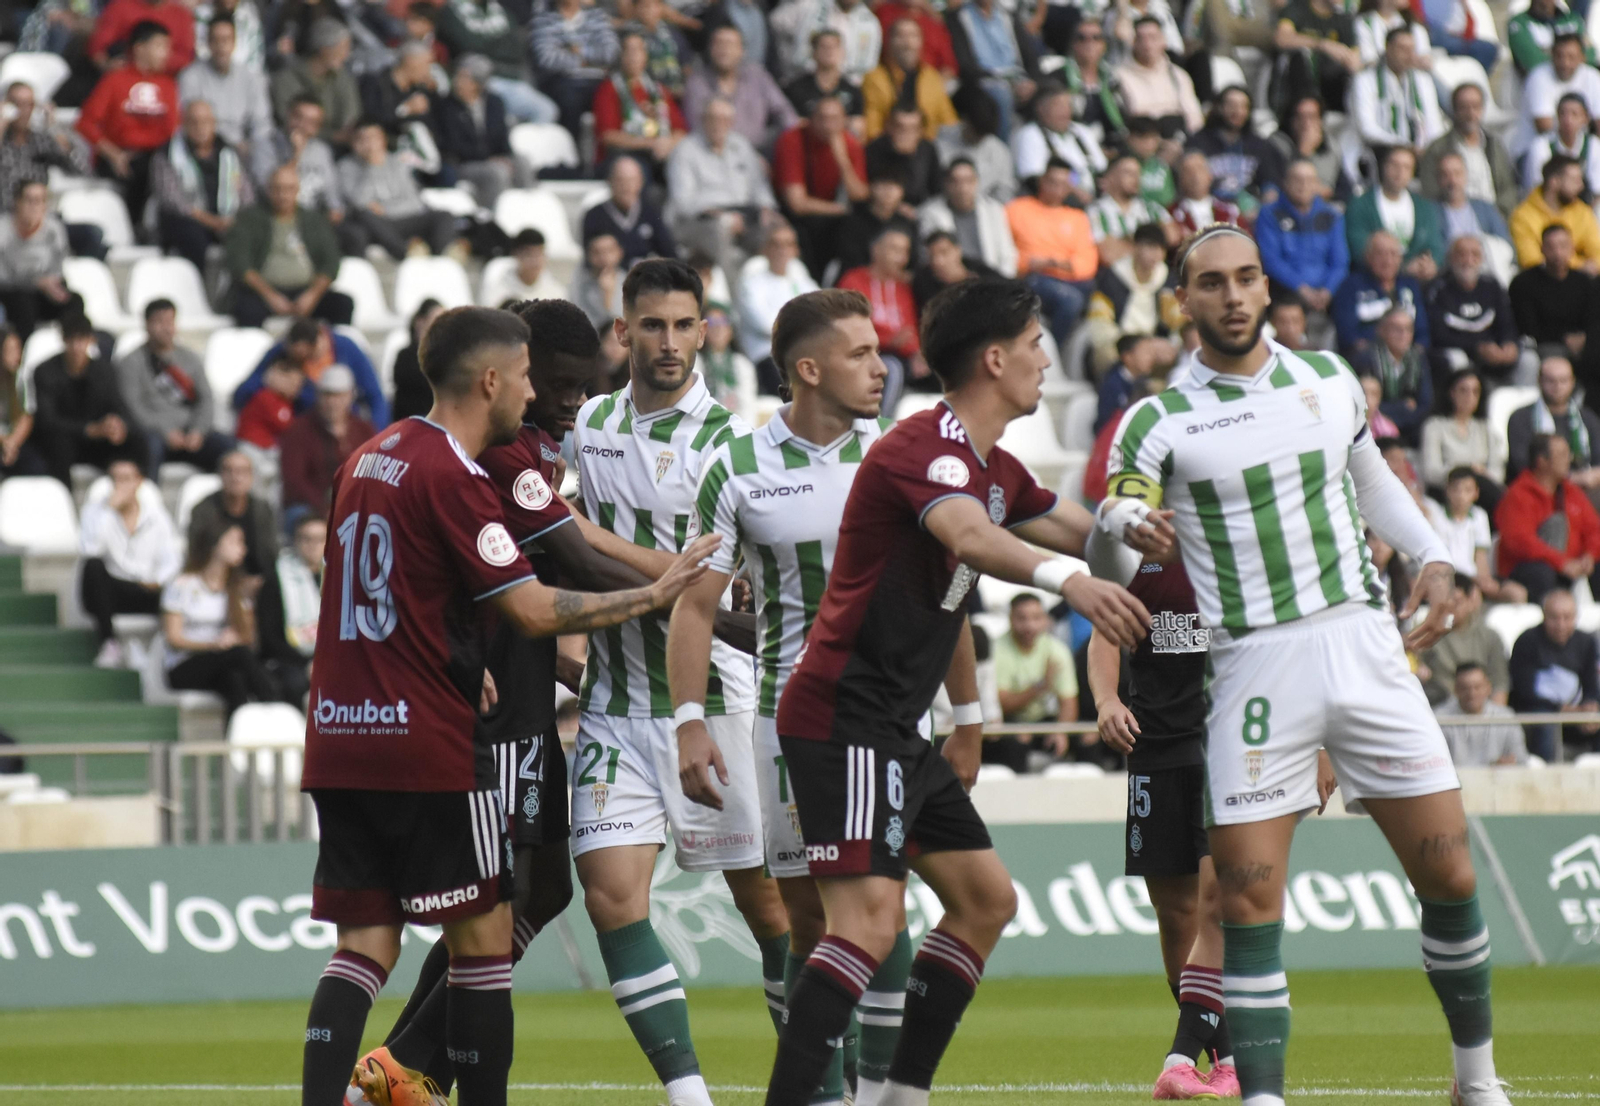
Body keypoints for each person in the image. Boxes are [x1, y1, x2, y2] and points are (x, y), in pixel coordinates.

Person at [1100, 224, 1510, 1106]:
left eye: (1247, 277)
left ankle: (1477, 1082)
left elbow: (1371, 481)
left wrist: (1431, 555)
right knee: (1247, 904)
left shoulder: (1327, 380)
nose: (1235, 295)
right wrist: (1121, 530)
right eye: (1212, 283)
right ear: (1184, 301)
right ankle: (1264, 1097)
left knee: (1450, 872)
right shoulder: (1156, 421)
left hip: (1365, 647)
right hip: (1252, 667)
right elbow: (1111, 544)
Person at [293, 302, 715, 1106]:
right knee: (485, 944)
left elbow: (367, 585)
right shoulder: (453, 472)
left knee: (363, 948)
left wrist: (452, 648)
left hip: (339, 730)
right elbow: (534, 606)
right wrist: (654, 596)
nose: (533, 395)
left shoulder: (367, 457)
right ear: (490, 379)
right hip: (429, 742)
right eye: (525, 378)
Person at [761, 275, 1149, 1106]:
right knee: (863, 924)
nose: (1049, 359)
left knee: (985, 901)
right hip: (844, 716)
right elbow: (968, 536)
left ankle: (899, 1098)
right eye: (1037, 345)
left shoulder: (994, 466)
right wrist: (1068, 583)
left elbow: (1091, 535)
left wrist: (1165, 546)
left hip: (898, 728)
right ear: (996, 358)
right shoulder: (918, 449)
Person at [664, 288, 906, 1106]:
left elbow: (945, 586)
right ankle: (826, 1093)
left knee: (886, 910)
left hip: (892, 717)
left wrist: (969, 715)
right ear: (808, 369)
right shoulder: (734, 466)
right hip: (787, 721)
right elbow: (695, 604)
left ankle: (885, 1093)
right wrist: (692, 724)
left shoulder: (895, 454)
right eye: (862, 354)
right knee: (810, 923)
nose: (881, 367)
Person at [565, 260, 789, 1106]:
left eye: (683, 326)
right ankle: (688, 1095)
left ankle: (820, 1086)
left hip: (718, 707)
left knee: (771, 913)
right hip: (613, 709)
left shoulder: (735, 444)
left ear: (706, 331)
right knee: (612, 896)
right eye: (650, 325)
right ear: (621, 332)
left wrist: (600, 541)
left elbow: (728, 599)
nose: (668, 342)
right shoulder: (583, 428)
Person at [1087, 553, 1244, 1099]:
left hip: (1223, 750)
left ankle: (1186, 1057)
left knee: (1214, 900)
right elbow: (1105, 636)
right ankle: (1224, 1059)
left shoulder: (1237, 540)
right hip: (1152, 750)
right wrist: (1106, 698)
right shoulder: (1134, 556)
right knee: (1175, 915)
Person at [160, 514, 275, 716]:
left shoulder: (237, 589)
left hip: (223, 661)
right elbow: (173, 638)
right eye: (235, 541)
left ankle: (236, 741)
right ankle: (275, 704)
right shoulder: (182, 585)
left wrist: (233, 638)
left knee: (235, 679)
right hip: (184, 665)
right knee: (237, 655)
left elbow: (250, 638)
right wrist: (214, 645)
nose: (243, 548)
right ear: (215, 545)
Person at [79, 457, 181, 667]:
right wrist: (108, 511)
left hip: (147, 589)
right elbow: (90, 549)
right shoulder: (95, 512)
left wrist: (158, 581)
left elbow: (171, 558)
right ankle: (109, 644)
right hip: (111, 590)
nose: (120, 485)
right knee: (93, 567)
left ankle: (168, 652)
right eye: (115, 479)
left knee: (176, 586)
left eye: (126, 478)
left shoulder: (157, 517)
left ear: (139, 482)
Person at [225, 165, 353, 329]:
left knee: (342, 304)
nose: (283, 195)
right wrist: (271, 296)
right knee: (246, 309)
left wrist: (312, 295)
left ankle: (333, 351)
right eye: (277, 189)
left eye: (289, 189)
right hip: (262, 293)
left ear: (298, 190)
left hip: (306, 291)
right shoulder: (249, 220)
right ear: (268, 190)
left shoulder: (314, 220)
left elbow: (330, 262)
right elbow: (240, 264)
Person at [80, 22, 181, 228]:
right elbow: (86, 123)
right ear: (139, 48)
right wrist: (114, 154)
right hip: (118, 155)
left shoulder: (168, 85)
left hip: (157, 158)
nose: (166, 54)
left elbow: (174, 130)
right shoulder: (115, 80)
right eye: (160, 47)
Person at [667, 97, 781, 282]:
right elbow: (683, 203)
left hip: (744, 215)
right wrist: (721, 215)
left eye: (724, 120)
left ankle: (779, 294)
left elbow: (759, 187)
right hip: (699, 221)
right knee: (722, 228)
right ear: (703, 120)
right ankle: (737, 300)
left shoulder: (741, 145)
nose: (718, 125)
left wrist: (767, 209)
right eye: (713, 118)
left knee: (780, 231)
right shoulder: (685, 150)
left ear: (731, 122)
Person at [115, 298, 230, 471]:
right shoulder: (130, 362)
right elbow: (133, 407)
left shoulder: (190, 358)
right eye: (159, 322)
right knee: (149, 446)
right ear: (146, 325)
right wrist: (165, 431)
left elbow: (206, 399)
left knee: (228, 447)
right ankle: (150, 495)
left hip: (190, 434)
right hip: (154, 434)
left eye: (170, 321)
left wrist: (198, 430)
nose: (166, 328)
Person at [31, 313, 141, 484]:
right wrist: (89, 429)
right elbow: (47, 421)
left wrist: (118, 425)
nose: (76, 347)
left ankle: (132, 497)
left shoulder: (104, 371)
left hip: (98, 442)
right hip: (64, 441)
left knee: (139, 441)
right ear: (63, 340)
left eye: (81, 340)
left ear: (91, 340)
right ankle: (63, 501)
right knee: (58, 443)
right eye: (71, 340)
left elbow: (122, 408)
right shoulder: (45, 371)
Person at [150, 99, 253, 275]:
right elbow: (172, 200)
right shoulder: (167, 154)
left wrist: (233, 220)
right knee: (193, 237)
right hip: (187, 221)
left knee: (250, 233)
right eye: (193, 121)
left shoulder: (229, 153)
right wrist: (210, 221)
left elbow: (246, 194)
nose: (200, 127)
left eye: (205, 121)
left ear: (214, 123)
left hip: (226, 220)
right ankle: (195, 289)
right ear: (183, 123)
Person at [338, 119, 462, 263]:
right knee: (363, 215)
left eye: (374, 138)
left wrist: (385, 209)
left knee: (444, 215)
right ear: (355, 143)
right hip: (377, 225)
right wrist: (371, 166)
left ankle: (441, 257)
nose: (370, 144)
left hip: (403, 218)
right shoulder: (346, 167)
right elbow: (358, 203)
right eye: (365, 139)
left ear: (383, 139)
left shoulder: (397, 162)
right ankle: (406, 252)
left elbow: (414, 202)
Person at [1496, 433, 1600, 604]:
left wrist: (1589, 556)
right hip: (1530, 569)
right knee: (1542, 574)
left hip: (1571, 566)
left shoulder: (1572, 492)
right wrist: (1561, 562)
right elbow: (1519, 541)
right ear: (1542, 461)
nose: (1569, 460)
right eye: (1562, 455)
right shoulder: (1518, 495)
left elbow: (1594, 529)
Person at [1007, 159, 1101, 348]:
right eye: (1052, 181)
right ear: (1042, 180)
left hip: (1072, 281)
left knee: (1098, 292)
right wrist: (1032, 263)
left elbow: (1088, 263)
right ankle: (1050, 354)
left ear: (1070, 188)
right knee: (1071, 301)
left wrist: (1051, 262)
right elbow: (1006, 252)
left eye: (1063, 184)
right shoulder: (1017, 209)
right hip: (1032, 278)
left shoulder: (1078, 218)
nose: (1057, 188)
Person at [773, 95, 868, 281]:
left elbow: (859, 195)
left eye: (834, 119)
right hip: (800, 215)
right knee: (807, 231)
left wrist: (842, 159)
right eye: (822, 118)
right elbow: (797, 203)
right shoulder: (792, 139)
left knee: (856, 230)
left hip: (833, 215)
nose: (828, 125)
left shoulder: (850, 144)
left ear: (844, 122)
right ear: (811, 119)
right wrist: (840, 210)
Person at [232, 317, 388, 429]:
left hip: (344, 429)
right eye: (297, 359)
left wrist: (374, 436)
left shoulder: (346, 349)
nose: (303, 362)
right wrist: (266, 381)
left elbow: (375, 397)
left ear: (320, 341)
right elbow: (240, 395)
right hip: (294, 434)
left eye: (307, 356)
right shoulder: (280, 352)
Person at [1508, 586, 1600, 760]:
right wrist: (1561, 710)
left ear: (1575, 617)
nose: (1561, 625)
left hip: (1577, 712)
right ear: (1544, 616)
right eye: (1554, 618)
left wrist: (1590, 705)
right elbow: (1523, 690)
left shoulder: (1586, 642)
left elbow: (1591, 684)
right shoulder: (1527, 641)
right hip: (1538, 710)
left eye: (1567, 618)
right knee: (1547, 721)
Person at [989, 592, 1078, 771]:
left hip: (1042, 721)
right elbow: (1000, 704)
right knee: (1014, 741)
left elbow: (1069, 702)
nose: (1029, 625)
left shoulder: (1057, 650)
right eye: (1022, 618)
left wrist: (1061, 731)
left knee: (1086, 739)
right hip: (1005, 723)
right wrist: (1039, 687)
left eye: (1036, 618)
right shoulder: (997, 650)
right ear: (1010, 619)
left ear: (1045, 620)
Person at [277, 363, 375, 523]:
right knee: (301, 518)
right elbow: (294, 480)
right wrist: (325, 508)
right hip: (310, 507)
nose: (333, 402)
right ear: (318, 396)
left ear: (350, 396)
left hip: (355, 506)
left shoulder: (364, 430)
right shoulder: (298, 431)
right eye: (327, 395)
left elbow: (374, 473)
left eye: (339, 395)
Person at [434, 0, 557, 126]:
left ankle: (525, 145)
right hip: (481, 80)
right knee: (499, 114)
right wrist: (498, 45)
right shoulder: (451, 11)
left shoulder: (499, 8)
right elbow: (468, 45)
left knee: (546, 110)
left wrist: (488, 45)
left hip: (512, 77)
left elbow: (517, 45)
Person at [838, 226, 925, 403]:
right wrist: (888, 341)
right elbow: (847, 328)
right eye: (894, 249)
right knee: (892, 369)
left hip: (902, 355)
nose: (901, 257)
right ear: (875, 250)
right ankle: (882, 428)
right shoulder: (854, 280)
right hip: (865, 353)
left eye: (905, 251)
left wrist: (918, 353)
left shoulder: (904, 287)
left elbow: (910, 329)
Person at [432, 55, 530, 212]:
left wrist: (506, 158)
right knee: (496, 172)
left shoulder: (495, 103)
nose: (457, 81)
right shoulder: (446, 107)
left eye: (464, 77)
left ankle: (525, 213)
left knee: (523, 163)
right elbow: (452, 145)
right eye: (458, 75)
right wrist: (488, 158)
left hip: (490, 158)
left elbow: (502, 138)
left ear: (478, 84)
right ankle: (491, 217)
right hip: (463, 164)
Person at [682, 25, 797, 155]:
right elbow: (696, 128)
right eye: (719, 43)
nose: (724, 49)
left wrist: (794, 136)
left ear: (742, 50)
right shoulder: (697, 81)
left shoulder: (757, 75)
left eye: (730, 44)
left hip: (760, 151)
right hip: (713, 153)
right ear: (710, 49)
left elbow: (784, 112)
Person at [1255, 158, 1348, 315]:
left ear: (1317, 184)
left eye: (1309, 180)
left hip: (1326, 296)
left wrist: (1327, 291)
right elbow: (1270, 260)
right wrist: (1301, 289)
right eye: (1297, 179)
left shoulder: (1332, 216)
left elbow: (1339, 262)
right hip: (1284, 293)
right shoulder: (1270, 214)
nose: (1303, 185)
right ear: (1285, 183)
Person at [1426, 238, 1524, 385]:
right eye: (1462, 254)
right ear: (1451, 258)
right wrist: (1478, 347)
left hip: (1494, 353)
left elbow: (1507, 323)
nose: (1468, 260)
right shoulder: (1437, 289)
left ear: (1482, 259)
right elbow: (1438, 335)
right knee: (1456, 358)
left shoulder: (1492, 286)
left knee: (1528, 359)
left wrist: (1508, 344)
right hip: (1459, 353)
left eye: (1475, 255)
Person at [1418, 84, 1519, 222]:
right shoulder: (1438, 149)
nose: (1470, 113)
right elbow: (1430, 192)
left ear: (1482, 109)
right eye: (1464, 107)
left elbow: (1507, 189)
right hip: (1453, 219)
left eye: (1475, 106)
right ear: (1454, 110)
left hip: (1493, 218)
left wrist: (1498, 215)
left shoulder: (1494, 145)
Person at [179, 15, 272, 164]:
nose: (221, 47)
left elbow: (262, 123)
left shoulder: (250, 77)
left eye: (226, 40)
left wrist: (252, 145)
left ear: (234, 43)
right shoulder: (190, 76)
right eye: (216, 40)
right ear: (208, 43)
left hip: (242, 147)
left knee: (265, 151)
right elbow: (186, 121)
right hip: (203, 146)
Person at [1344, 146, 1444, 282]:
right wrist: (1402, 268)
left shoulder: (1424, 207)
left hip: (1418, 285)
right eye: (1394, 165)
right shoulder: (1360, 205)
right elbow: (1359, 250)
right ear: (1383, 167)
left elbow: (1435, 246)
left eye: (1406, 167)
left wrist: (1430, 264)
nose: (1400, 172)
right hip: (1371, 282)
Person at [592, 30, 687, 173]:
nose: (633, 56)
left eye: (638, 50)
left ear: (646, 56)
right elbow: (608, 137)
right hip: (625, 156)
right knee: (637, 170)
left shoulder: (658, 89)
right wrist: (650, 144)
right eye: (628, 50)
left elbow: (680, 131)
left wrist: (667, 144)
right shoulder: (609, 89)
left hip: (662, 153)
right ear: (621, 56)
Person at [1346, 25, 1445, 162]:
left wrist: (1427, 150)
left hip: (1420, 154)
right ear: (1388, 49)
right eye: (1402, 49)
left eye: (1412, 50)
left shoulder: (1423, 80)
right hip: (1379, 152)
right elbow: (1367, 128)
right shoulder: (1365, 80)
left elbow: (1434, 124)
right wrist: (1404, 147)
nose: (1409, 55)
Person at [1424, 467, 1522, 604]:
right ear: (1447, 491)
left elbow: (1480, 555)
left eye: (1467, 490)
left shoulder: (1479, 516)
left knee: (1516, 593)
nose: (1461, 496)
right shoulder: (1436, 516)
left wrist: (1485, 580)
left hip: (1473, 577)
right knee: (1471, 595)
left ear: (1476, 493)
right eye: (1456, 490)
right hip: (1447, 577)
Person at [251, 96, 345, 237]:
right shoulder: (266, 145)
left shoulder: (321, 151)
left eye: (311, 122)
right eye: (298, 117)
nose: (302, 125)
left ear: (318, 128)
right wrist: (296, 154)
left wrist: (335, 211)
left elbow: (332, 194)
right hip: (277, 217)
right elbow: (269, 190)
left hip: (316, 217)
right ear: (288, 115)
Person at [738, 221, 821, 374]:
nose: (782, 250)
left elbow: (822, 312)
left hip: (803, 352)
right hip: (768, 355)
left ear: (795, 250)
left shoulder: (800, 278)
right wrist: (805, 326)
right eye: (776, 244)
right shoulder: (752, 283)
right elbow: (765, 325)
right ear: (765, 249)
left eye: (788, 244)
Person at [1331, 230, 1429, 359]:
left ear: (1401, 258)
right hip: (1368, 358)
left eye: (1393, 254)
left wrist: (1415, 351)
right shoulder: (1351, 287)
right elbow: (1347, 334)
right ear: (1368, 257)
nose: (1387, 261)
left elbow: (1422, 331)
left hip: (1407, 356)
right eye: (1380, 254)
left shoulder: (1410, 286)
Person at [1504, 355, 1600, 485]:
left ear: (1573, 382)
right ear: (1539, 381)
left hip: (1586, 488)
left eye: (1563, 380)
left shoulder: (1588, 418)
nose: (1557, 387)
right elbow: (1521, 465)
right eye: (1551, 381)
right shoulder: (1521, 418)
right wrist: (1571, 479)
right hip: (1538, 488)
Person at [1417, 574, 1511, 705]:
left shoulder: (1490, 637)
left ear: (1470, 601)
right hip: (1438, 709)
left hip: (1482, 710)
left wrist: (1491, 721)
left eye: (1456, 602)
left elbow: (1499, 684)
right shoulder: (1424, 637)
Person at [950, 0, 1039, 140]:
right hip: (982, 81)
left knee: (1051, 93)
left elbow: (1030, 56)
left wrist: (1032, 81)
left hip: (1018, 78)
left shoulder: (1008, 16)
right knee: (1001, 94)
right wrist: (1006, 82)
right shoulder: (957, 17)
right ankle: (1002, 152)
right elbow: (965, 65)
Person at [1185, 86, 1283, 212]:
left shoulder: (1261, 145)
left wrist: (1263, 211)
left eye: (1243, 106)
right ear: (1219, 107)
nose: (1237, 111)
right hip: (1210, 211)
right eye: (1231, 105)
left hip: (1250, 213)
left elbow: (1271, 186)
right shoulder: (1198, 142)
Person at [257, 513, 321, 705]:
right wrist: (307, 663)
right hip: (290, 659)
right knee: (294, 684)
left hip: (331, 659)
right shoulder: (277, 578)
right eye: (306, 539)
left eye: (320, 539)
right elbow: (269, 637)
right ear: (295, 541)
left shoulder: (343, 578)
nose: (313, 545)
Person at [918, 157, 1017, 278]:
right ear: (946, 184)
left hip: (992, 279)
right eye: (956, 181)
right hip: (950, 282)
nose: (963, 188)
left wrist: (1003, 284)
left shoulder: (994, 210)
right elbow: (932, 258)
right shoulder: (930, 214)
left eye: (968, 181)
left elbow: (1007, 255)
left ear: (977, 182)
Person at [0, 180, 72, 342]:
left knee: (73, 301)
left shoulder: (54, 229)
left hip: (44, 291)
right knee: (23, 304)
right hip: (12, 291)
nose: (34, 206)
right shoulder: (3, 229)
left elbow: (58, 263)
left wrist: (52, 283)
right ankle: (23, 354)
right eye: (29, 200)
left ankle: (72, 353)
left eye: (40, 201)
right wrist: (36, 282)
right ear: (17, 202)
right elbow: (3, 275)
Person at [863, 18, 957, 141]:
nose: (908, 43)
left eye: (913, 36)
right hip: (888, 150)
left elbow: (948, 121)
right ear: (889, 41)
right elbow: (872, 128)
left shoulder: (931, 77)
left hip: (928, 149)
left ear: (921, 41)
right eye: (900, 36)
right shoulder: (874, 78)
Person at [269, 20, 359, 148]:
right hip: (290, 145)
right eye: (342, 48)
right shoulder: (285, 79)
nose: (346, 55)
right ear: (324, 49)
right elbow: (290, 123)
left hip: (337, 149)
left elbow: (351, 117)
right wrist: (332, 136)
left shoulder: (342, 78)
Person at [188, 448, 278, 577]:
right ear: (220, 475)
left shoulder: (262, 510)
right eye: (229, 471)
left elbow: (270, 555)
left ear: (251, 477)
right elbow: (196, 554)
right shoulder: (203, 510)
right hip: (214, 581)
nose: (235, 477)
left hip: (256, 583)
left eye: (242, 471)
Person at [1509, 224, 1593, 360]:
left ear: (1572, 248)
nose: (1558, 253)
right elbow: (1528, 328)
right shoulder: (1523, 283)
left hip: (1583, 343)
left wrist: (1584, 338)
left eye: (1563, 246)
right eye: (1551, 247)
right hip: (1545, 345)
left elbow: (1592, 319)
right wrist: (1565, 338)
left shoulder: (1585, 282)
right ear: (1542, 249)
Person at [1515, 33, 1600, 163]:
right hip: (1536, 152)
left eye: (1571, 57)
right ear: (1551, 56)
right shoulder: (1538, 77)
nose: (1565, 63)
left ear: (1582, 58)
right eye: (1559, 56)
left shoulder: (1592, 76)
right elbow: (1543, 126)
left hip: (1578, 150)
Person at [1009, 83, 1106, 197]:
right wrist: (1076, 193)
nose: (1065, 111)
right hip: (1053, 204)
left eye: (1068, 105)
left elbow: (1101, 168)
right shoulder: (1029, 135)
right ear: (1040, 108)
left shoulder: (1083, 131)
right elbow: (1033, 180)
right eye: (1058, 106)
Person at [1114, 17, 1203, 140]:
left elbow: (1194, 118)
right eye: (1141, 38)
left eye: (1153, 38)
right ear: (1133, 43)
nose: (1147, 44)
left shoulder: (1178, 75)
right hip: (1144, 139)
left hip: (1179, 139)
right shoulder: (1120, 76)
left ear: (1164, 41)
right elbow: (1133, 112)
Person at [582, 155, 677, 267]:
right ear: (610, 181)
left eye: (631, 180)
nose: (626, 186)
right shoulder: (595, 216)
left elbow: (669, 252)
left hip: (646, 278)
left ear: (641, 182)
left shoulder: (651, 212)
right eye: (620, 180)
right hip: (610, 277)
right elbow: (590, 259)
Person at [1087, 150, 1179, 265]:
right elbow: (1107, 254)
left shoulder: (1152, 208)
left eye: (1137, 173)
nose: (1135, 178)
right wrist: (1148, 243)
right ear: (1110, 177)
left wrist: (1124, 241)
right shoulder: (1096, 211)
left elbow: (1173, 237)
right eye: (1128, 173)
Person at [1357, 307, 1431, 446]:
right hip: (1376, 427)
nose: (1403, 334)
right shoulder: (1367, 358)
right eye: (1396, 328)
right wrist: (1402, 407)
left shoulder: (1418, 358)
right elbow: (1368, 405)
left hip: (1411, 428)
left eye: (1408, 329)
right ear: (1382, 330)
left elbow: (1425, 403)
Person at [1510, 155, 1600, 270]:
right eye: (1574, 180)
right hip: (1543, 284)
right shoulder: (1523, 216)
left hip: (1582, 284)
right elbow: (1531, 261)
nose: (1581, 186)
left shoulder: (1582, 211)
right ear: (1554, 182)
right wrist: (1580, 266)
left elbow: (1597, 253)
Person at [1272, 0, 1360, 115]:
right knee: (1302, 56)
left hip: (1331, 85)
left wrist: (1349, 59)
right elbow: (1281, 38)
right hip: (1297, 83)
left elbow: (1355, 59)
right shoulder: (1296, 9)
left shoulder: (1344, 20)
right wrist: (1322, 45)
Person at [935, 83, 1017, 204]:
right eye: (975, 132)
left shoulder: (999, 151)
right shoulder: (942, 139)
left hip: (984, 211)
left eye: (982, 135)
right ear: (965, 120)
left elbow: (1005, 192)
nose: (978, 138)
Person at [1436, 664, 1528, 767]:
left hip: (1498, 781)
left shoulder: (1506, 718)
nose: (1472, 693)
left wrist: (1508, 763)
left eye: (1477, 687)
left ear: (1488, 687)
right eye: (1465, 688)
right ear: (1455, 689)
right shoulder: (1439, 719)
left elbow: (1521, 760)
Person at [1419, 372, 1494, 494]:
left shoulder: (1485, 428)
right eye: (1463, 390)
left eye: (1475, 392)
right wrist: (1467, 472)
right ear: (1451, 393)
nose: (1469, 397)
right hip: (1445, 492)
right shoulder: (1434, 426)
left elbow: (1497, 472)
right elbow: (1430, 472)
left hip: (1481, 491)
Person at [1059, 19, 1124, 144]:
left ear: (1104, 45)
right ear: (1073, 44)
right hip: (1075, 144)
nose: (1089, 42)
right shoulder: (1060, 77)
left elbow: (1122, 121)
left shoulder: (1112, 78)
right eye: (1081, 38)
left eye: (1096, 37)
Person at [781, 28, 866, 124]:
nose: (829, 51)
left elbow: (859, 126)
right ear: (813, 52)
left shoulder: (853, 92)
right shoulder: (795, 89)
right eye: (824, 47)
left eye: (834, 47)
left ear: (843, 52)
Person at [1524, 93, 1600, 200]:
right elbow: (1536, 188)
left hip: (1584, 208)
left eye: (1574, 114)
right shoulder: (1541, 146)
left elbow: (1597, 191)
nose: (1568, 120)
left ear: (1585, 118)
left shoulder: (1594, 145)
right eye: (1563, 113)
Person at [864, 105, 941, 207]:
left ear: (920, 130)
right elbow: (869, 190)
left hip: (919, 210)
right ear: (889, 126)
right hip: (882, 209)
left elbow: (936, 189)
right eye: (900, 127)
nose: (906, 133)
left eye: (912, 128)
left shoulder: (928, 150)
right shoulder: (874, 149)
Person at [89, 0, 194, 74]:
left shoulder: (182, 15)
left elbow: (186, 57)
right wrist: (107, 66)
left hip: (167, 80)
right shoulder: (120, 6)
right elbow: (97, 48)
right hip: (123, 75)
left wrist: (153, 62)